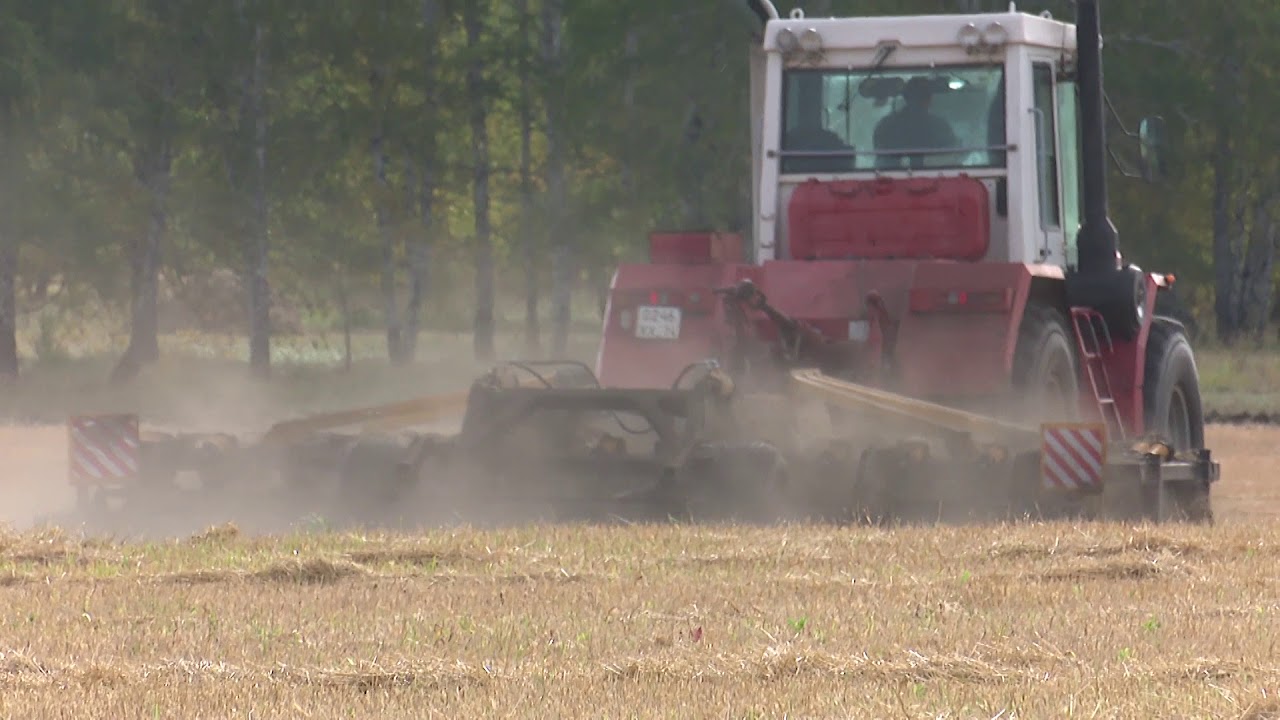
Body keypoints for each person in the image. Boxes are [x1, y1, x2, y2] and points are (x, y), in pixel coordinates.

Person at [873, 76, 960, 169]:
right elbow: (951, 156)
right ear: (929, 99)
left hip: (888, 179)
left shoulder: (885, 125)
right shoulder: (940, 126)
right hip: (936, 178)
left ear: (905, 98)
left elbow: (879, 154)